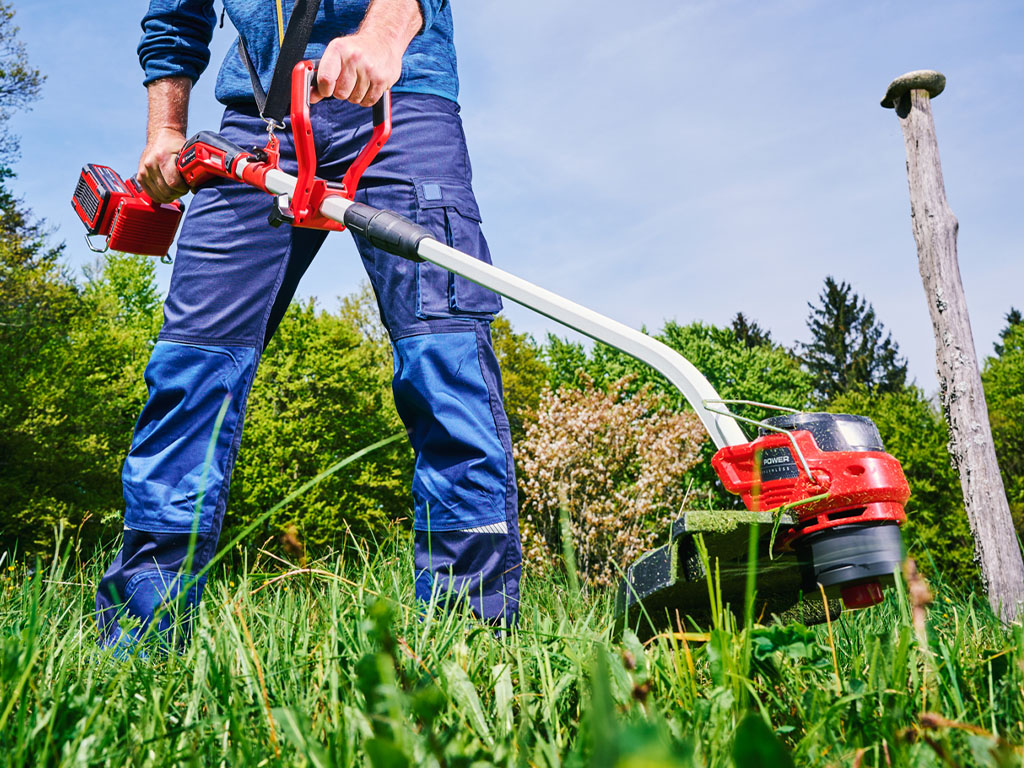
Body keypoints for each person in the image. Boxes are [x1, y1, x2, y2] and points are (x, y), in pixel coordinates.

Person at [95, 0, 521, 648]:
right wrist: (165, 132)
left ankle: (470, 659)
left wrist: (380, 38)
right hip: (256, 117)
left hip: (398, 97)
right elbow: (174, 15)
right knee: (191, 369)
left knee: (447, 366)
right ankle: (140, 651)